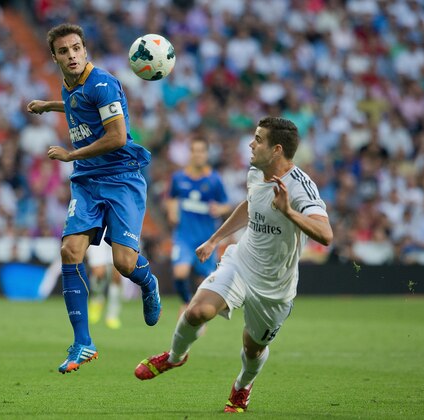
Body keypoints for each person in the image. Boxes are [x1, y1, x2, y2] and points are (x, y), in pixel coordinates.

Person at [134, 117, 333, 412]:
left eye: (258, 140)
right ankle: (175, 357)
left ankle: (242, 387)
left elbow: (326, 235)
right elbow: (250, 204)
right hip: (241, 263)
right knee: (197, 310)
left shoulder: (301, 187)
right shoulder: (256, 172)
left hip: (275, 286)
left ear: (277, 149)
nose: (251, 145)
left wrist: (289, 211)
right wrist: (215, 240)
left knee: (253, 348)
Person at [26, 23, 161, 374]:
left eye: (75, 48)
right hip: (87, 182)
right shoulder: (70, 85)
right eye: (63, 51)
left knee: (124, 265)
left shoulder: (102, 83)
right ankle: (83, 343)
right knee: (70, 251)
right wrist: (48, 106)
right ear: (55, 57)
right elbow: (75, 104)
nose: (71, 55)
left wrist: (72, 155)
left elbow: (117, 137)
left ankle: (149, 283)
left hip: (120, 179)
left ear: (85, 50)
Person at [166, 136, 231, 314]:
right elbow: (170, 197)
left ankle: (196, 310)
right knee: (180, 272)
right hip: (184, 236)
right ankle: (186, 303)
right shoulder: (179, 178)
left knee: (204, 280)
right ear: (190, 154)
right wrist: (172, 211)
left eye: (202, 151)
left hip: (206, 237)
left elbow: (226, 204)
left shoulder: (214, 180)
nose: (198, 155)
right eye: (195, 151)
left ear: (206, 154)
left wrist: (219, 208)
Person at [86, 233, 123, 330]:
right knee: (98, 273)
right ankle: (97, 300)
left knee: (117, 275)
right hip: (99, 230)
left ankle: (113, 315)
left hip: (117, 230)